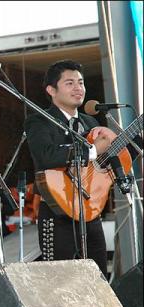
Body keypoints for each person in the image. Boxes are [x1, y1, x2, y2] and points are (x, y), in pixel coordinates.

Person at [23, 60, 117, 276]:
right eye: (70, 83)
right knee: (59, 282)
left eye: (81, 83)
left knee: (98, 278)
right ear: (51, 90)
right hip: (56, 211)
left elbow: (103, 163)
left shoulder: (90, 122)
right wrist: (92, 150)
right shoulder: (39, 121)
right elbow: (46, 156)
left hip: (89, 210)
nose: (78, 88)